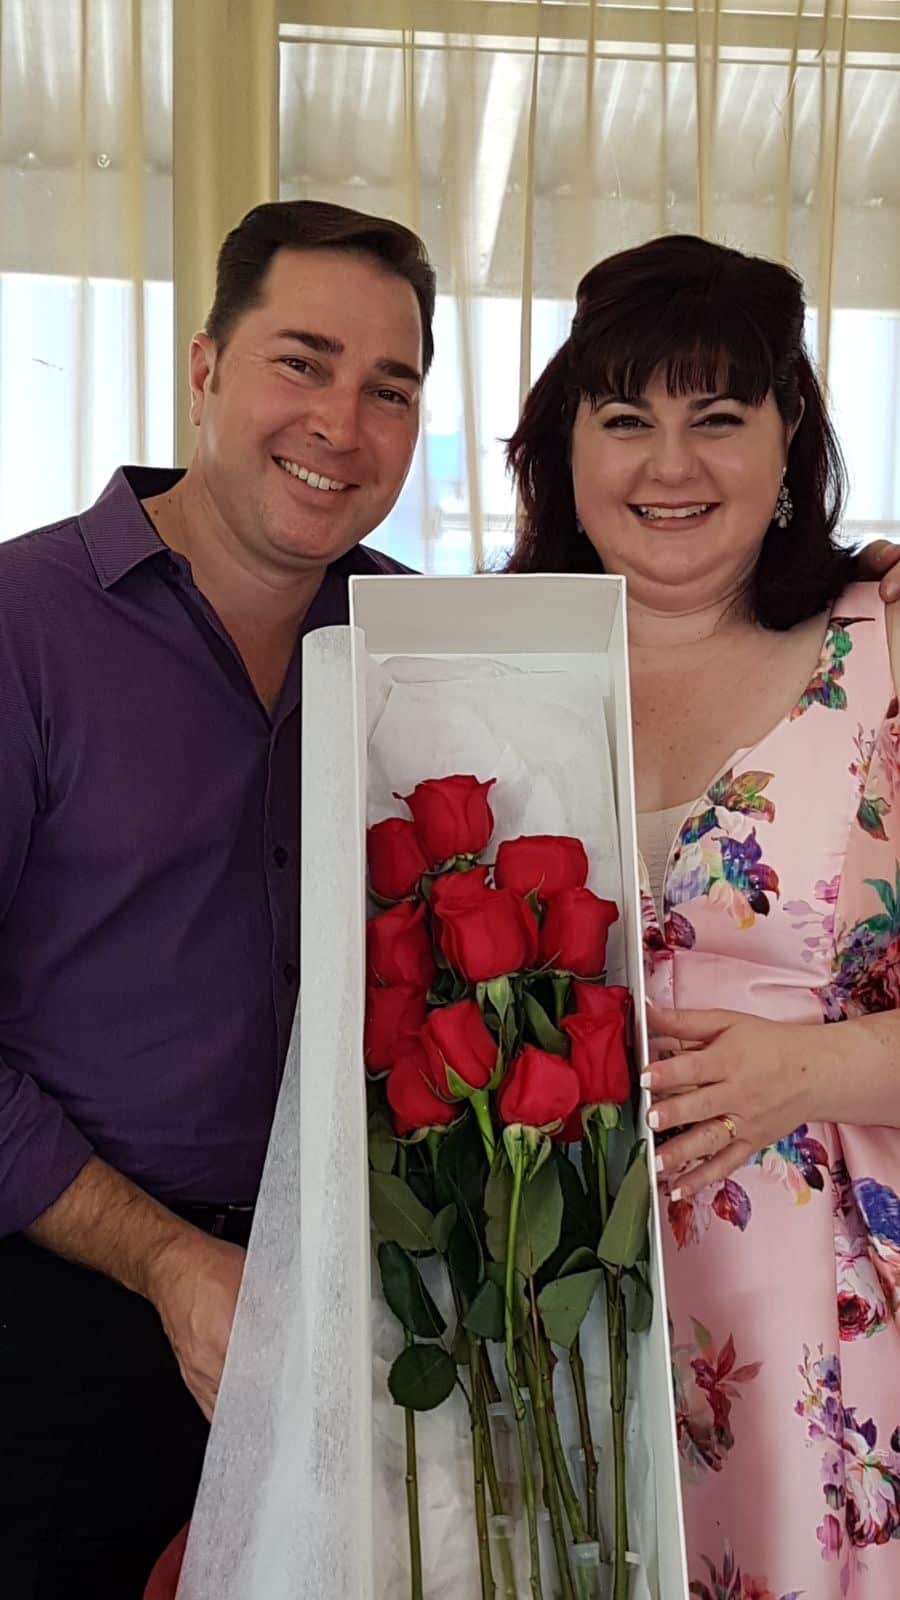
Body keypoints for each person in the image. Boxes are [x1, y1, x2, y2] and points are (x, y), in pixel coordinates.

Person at [0, 197, 434, 1599]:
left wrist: (833, 587)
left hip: (359, 1324)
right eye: (300, 362)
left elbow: (655, 642)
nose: (341, 426)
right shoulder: (21, 623)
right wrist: (170, 1262)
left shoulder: (420, 641)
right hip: (62, 1311)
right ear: (204, 369)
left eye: (389, 388)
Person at [506, 233, 900, 1596]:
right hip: (536, 1312)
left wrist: (815, 1065)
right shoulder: (481, 658)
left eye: (718, 417)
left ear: (791, 434)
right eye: (626, 419)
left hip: (827, 1340)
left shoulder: (886, 645)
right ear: (565, 444)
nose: (669, 466)